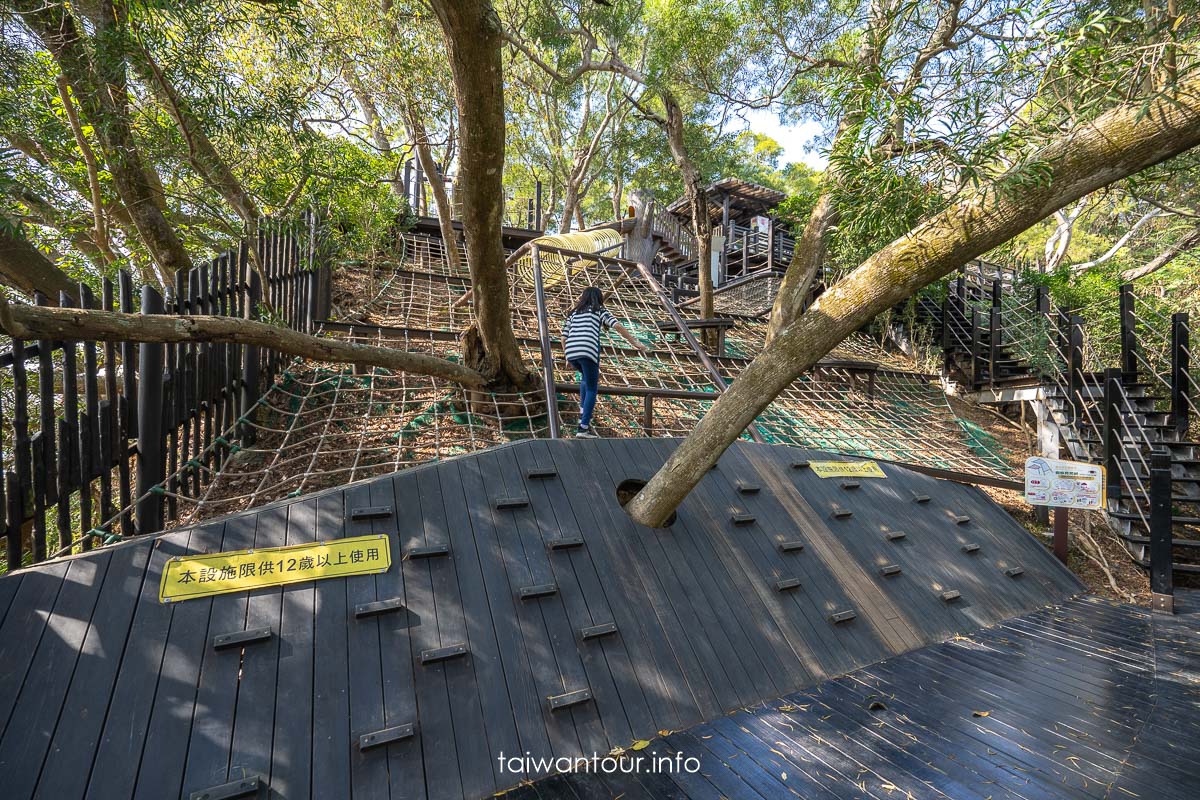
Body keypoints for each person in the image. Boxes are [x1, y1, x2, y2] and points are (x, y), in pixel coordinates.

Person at [562, 287, 648, 438]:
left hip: (571, 350)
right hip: (588, 350)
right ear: (599, 298)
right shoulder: (598, 310)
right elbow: (618, 326)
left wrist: (567, 357)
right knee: (592, 388)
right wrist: (635, 342)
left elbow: (563, 337)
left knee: (585, 379)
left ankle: (582, 413)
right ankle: (583, 427)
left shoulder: (574, 313)